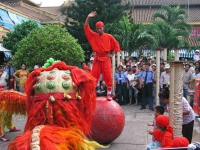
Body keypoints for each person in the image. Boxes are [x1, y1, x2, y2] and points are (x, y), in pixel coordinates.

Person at [84, 11, 120, 100]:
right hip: (97, 58)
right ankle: (92, 93)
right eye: (97, 28)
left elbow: (116, 45)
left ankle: (109, 94)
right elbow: (86, 28)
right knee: (94, 76)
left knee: (108, 75)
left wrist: (112, 54)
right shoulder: (93, 36)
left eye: (100, 28)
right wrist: (88, 18)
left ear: (103, 28)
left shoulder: (109, 37)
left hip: (106, 58)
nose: (99, 30)